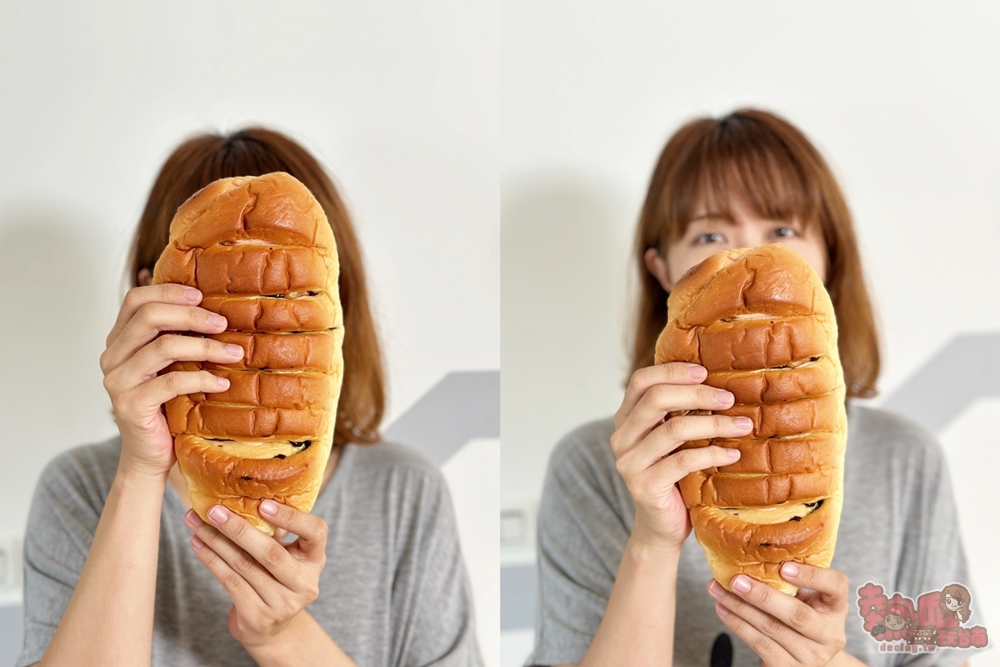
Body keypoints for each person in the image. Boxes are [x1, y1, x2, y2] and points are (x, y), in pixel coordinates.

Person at [17, 128, 482, 667]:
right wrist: (140, 473)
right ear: (146, 300)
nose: (250, 331)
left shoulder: (406, 494)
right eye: (215, 297)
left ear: (336, 302)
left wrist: (282, 638)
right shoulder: (80, 490)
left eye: (289, 293)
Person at [528, 110, 974, 667]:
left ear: (828, 258)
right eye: (709, 234)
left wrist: (826, 662)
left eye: (782, 230)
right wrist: (653, 541)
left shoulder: (906, 461)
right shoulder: (593, 467)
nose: (750, 261)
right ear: (662, 271)